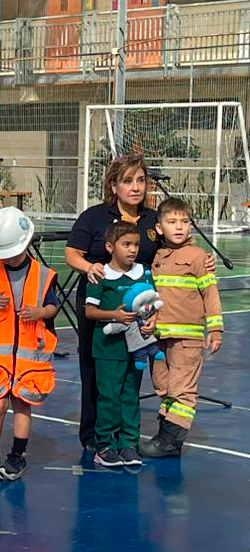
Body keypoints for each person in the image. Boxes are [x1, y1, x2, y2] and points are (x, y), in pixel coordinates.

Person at [65, 154, 215, 452]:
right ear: (113, 185)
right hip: (102, 301)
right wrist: (89, 268)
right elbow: (72, 253)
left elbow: (175, 243)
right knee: (98, 369)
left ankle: (127, 436)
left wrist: (201, 258)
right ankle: (96, 436)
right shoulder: (94, 217)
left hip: (141, 305)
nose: (135, 187)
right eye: (128, 181)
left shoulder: (151, 219)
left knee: (134, 371)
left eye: (141, 180)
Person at [0, 207, 59, 481]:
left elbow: (53, 307)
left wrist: (40, 313)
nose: (7, 259)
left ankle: (17, 455)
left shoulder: (43, 274)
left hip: (29, 358)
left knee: (23, 405)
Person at [141, 198, 223, 457]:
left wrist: (216, 329)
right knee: (162, 386)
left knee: (182, 389)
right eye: (172, 222)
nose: (179, 227)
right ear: (160, 228)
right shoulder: (157, 257)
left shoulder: (198, 257)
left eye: (184, 222)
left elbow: (210, 294)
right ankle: (164, 432)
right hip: (160, 336)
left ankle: (171, 441)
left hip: (188, 339)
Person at [84, 222, 149, 467]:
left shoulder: (142, 272)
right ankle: (104, 445)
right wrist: (115, 315)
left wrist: (151, 321)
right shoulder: (100, 275)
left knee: (130, 395)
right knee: (109, 396)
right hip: (108, 348)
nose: (132, 250)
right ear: (110, 247)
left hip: (136, 347)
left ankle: (129, 444)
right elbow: (90, 311)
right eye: (126, 244)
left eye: (136, 245)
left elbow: (150, 303)